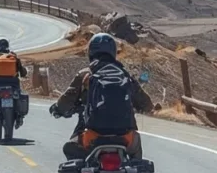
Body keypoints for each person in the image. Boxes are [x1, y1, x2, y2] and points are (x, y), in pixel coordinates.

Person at [49, 32, 153, 163]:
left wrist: (58, 109)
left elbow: (65, 103)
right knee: (136, 154)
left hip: (92, 137)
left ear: (91, 52)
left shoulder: (85, 75)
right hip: (125, 137)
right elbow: (147, 105)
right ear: (113, 52)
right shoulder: (124, 75)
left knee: (69, 148)